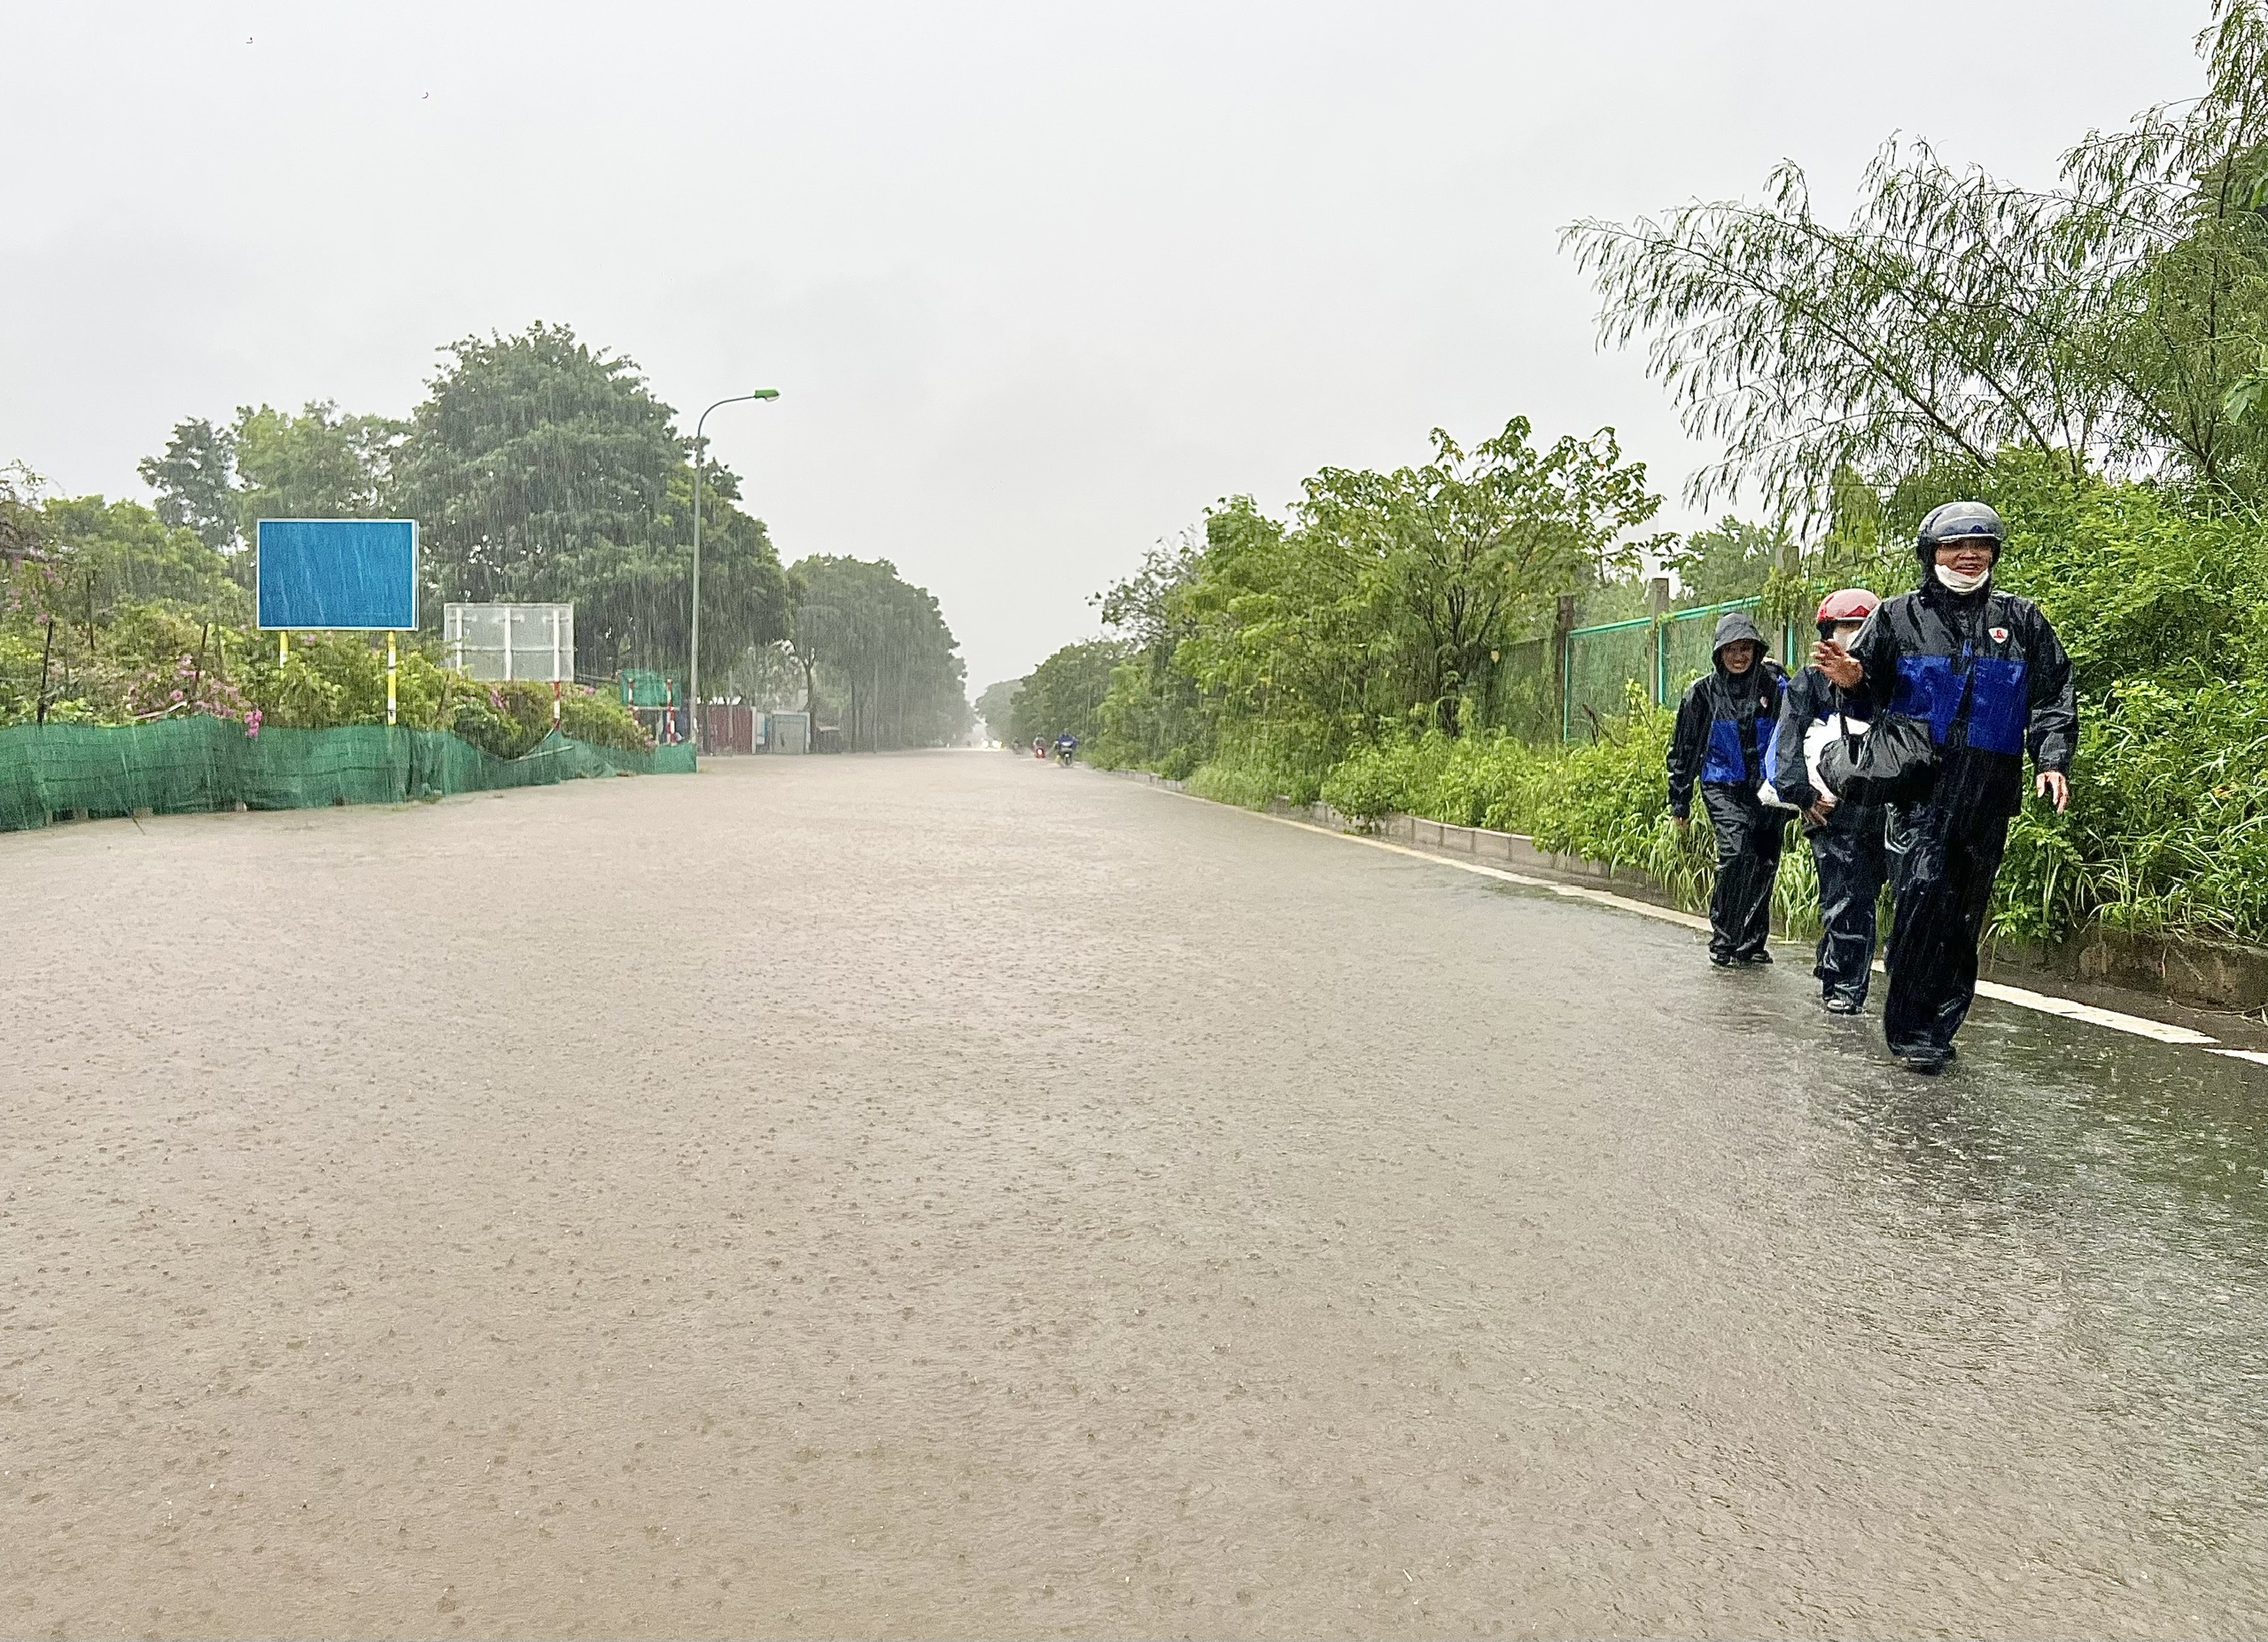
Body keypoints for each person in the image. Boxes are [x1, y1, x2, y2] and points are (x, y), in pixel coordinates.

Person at [1814, 500, 2076, 1073]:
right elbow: (1859, 698)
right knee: (1923, 895)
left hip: (1989, 792)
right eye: (1955, 545)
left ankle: (1938, 1024)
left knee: (1961, 915)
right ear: (1932, 553)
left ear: (1994, 553)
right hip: (1919, 791)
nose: (1968, 553)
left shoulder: (2021, 619)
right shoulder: (1897, 617)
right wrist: (1855, 682)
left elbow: (2054, 694)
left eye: (1980, 544)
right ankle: (1912, 1030)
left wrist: (2051, 758)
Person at [1770, 589, 1888, 1015]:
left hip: (1886, 808)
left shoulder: (1892, 677)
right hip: (1831, 809)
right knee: (1847, 897)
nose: (1854, 636)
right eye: (1845, 627)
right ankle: (1843, 986)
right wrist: (1802, 795)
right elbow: (1785, 741)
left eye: (1863, 627)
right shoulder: (1808, 683)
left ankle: (1836, 963)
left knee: (1871, 894)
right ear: (1827, 634)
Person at [1667, 611, 1789, 967]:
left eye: (1746, 648)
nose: (1739, 656)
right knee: (1736, 855)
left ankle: (1751, 943)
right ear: (1720, 653)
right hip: (1723, 786)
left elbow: (1798, 719)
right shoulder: (1702, 694)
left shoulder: (1772, 685)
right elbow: (1684, 749)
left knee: (1765, 862)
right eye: (1732, 649)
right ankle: (1724, 937)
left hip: (1768, 790)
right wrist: (1680, 801)